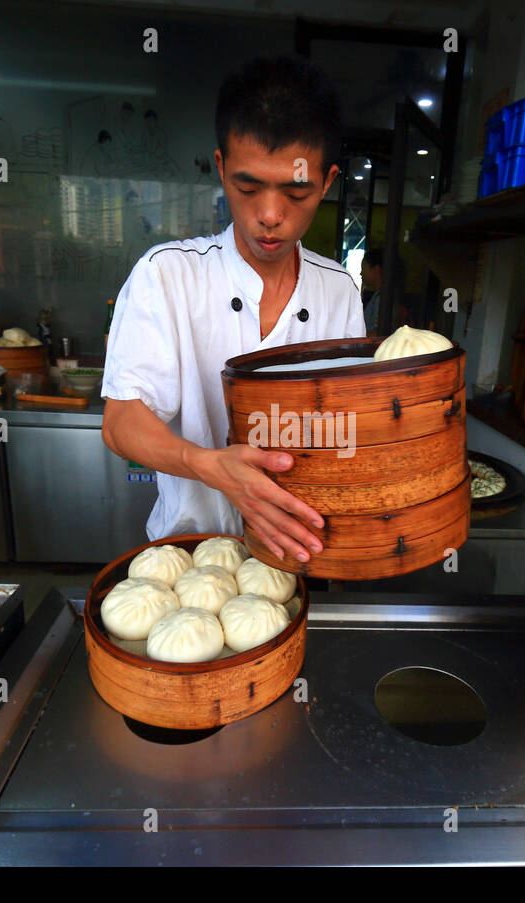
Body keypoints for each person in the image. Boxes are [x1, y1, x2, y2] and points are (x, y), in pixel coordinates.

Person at [101, 56, 365, 564]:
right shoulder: (167, 274)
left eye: (296, 191)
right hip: (188, 555)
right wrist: (208, 465)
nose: (270, 215)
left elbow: (342, 427)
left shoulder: (339, 291)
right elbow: (121, 421)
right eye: (248, 188)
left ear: (328, 182)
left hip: (300, 557)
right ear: (221, 168)